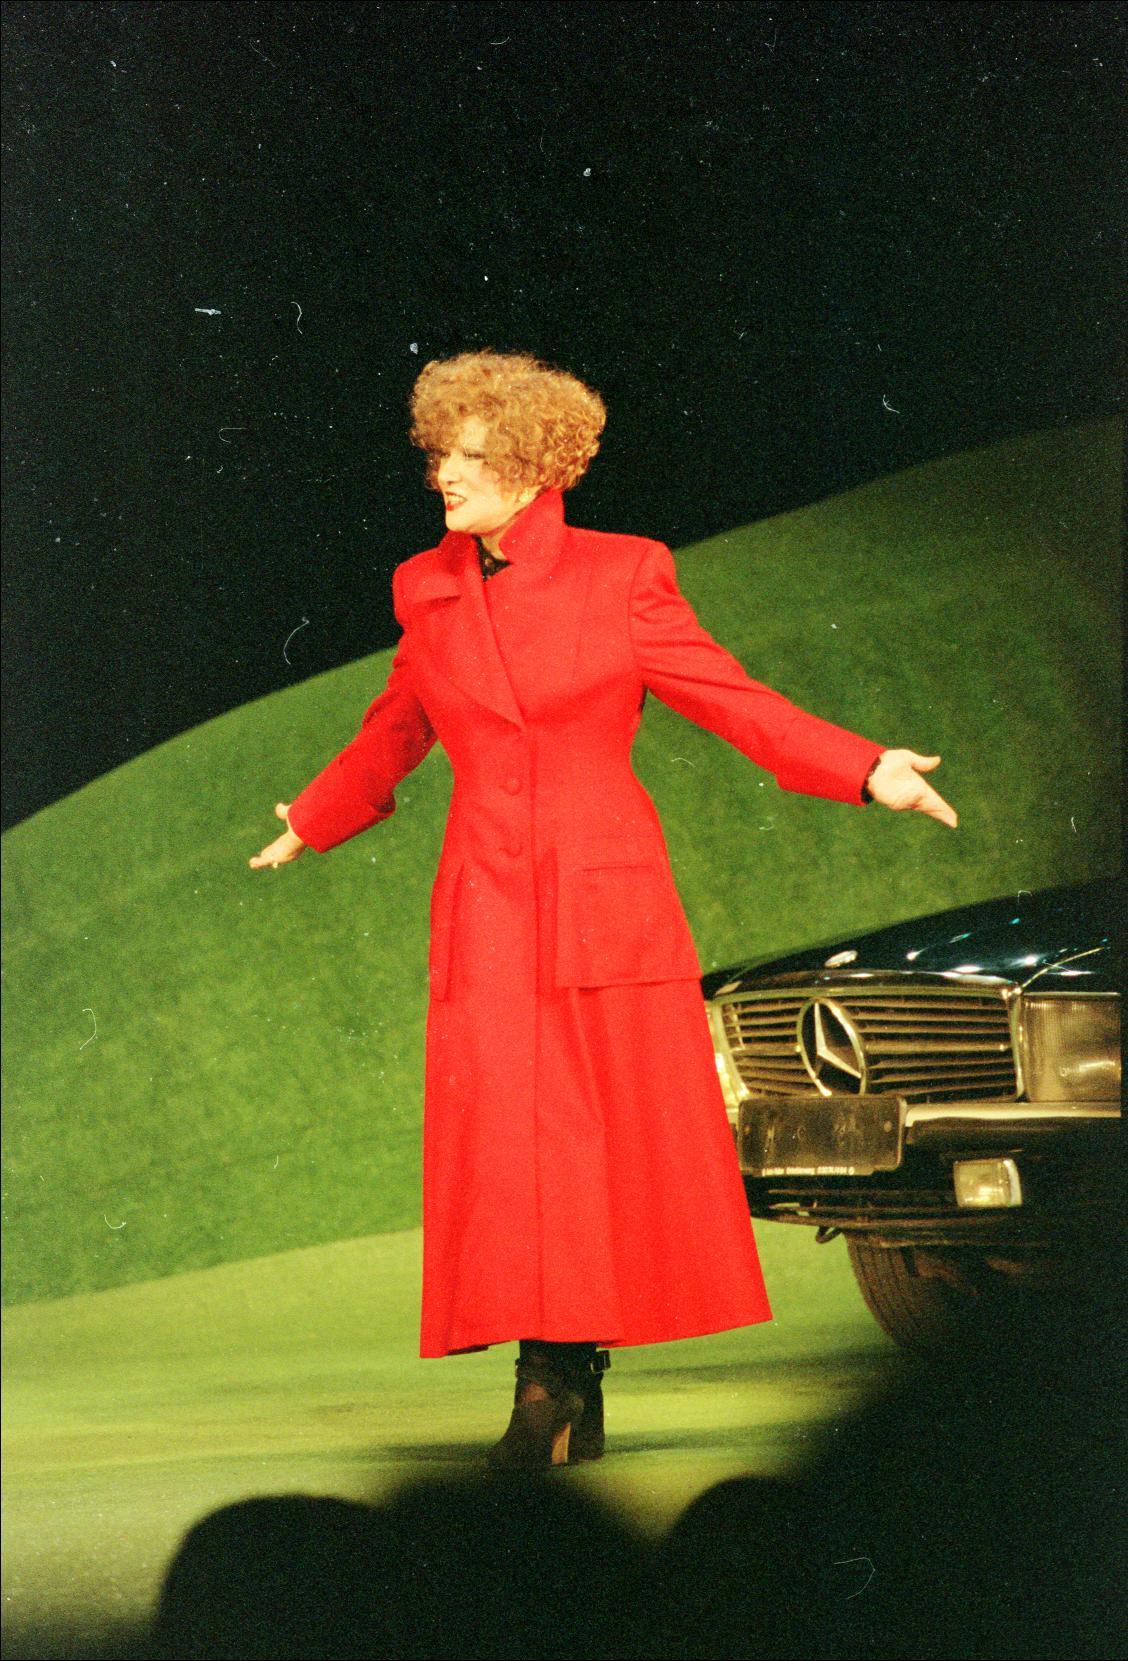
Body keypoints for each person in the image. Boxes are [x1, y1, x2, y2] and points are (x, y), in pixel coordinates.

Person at [250, 350, 957, 1469]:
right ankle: (556, 1375)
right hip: (487, 902)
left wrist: (866, 767)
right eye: (440, 454)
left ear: (535, 467)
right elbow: (400, 723)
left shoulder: (623, 571)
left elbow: (729, 697)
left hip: (600, 895)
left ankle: (559, 1379)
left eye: (472, 456)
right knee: (508, 1150)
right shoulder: (424, 586)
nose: (446, 475)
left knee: (587, 1147)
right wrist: (316, 816)